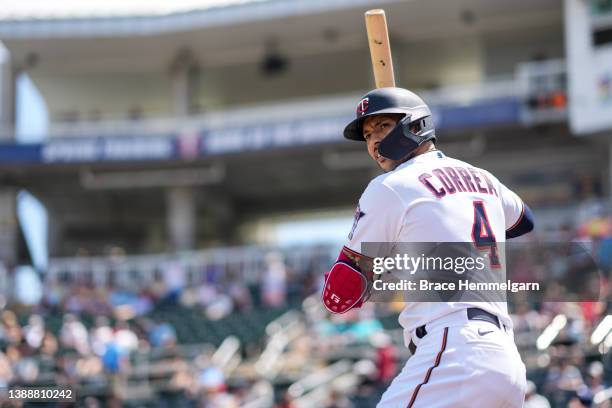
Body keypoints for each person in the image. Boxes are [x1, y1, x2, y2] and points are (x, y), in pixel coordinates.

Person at [322, 87, 534, 407]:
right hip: (505, 361)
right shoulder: (483, 178)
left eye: (383, 126)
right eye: (367, 135)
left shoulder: (390, 187)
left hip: (454, 350)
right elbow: (523, 221)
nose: (374, 142)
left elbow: (339, 296)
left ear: (416, 125)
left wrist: (381, 263)